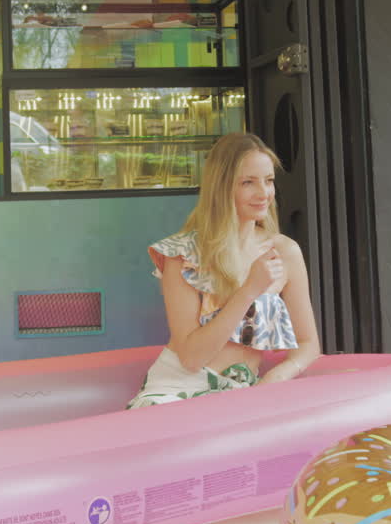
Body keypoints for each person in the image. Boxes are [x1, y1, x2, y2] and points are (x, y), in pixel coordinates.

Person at [126, 132, 322, 409]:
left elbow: (308, 343)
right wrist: (250, 289)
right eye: (248, 183)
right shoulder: (181, 254)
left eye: (268, 181)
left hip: (244, 391)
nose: (263, 193)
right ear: (222, 187)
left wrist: (273, 380)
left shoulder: (285, 252)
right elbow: (192, 358)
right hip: (179, 389)